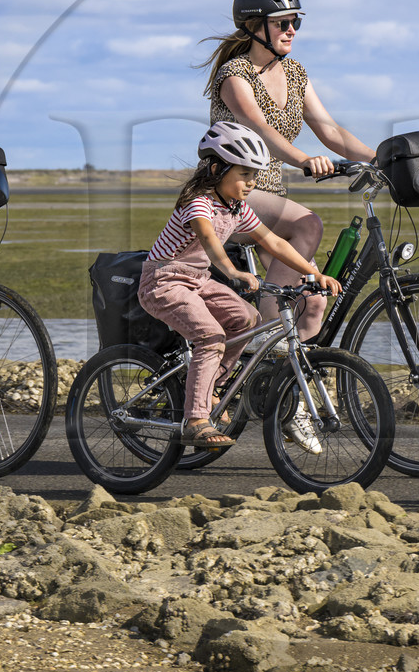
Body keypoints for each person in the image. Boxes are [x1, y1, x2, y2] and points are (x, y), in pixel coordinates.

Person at [137, 122, 342, 450]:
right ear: (217, 169)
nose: (252, 183)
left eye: (255, 176)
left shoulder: (237, 208)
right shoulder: (199, 203)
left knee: (247, 319)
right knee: (210, 336)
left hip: (197, 281)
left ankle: (212, 387)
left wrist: (312, 273)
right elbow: (208, 239)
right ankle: (196, 420)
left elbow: (274, 242)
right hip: (164, 282)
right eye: (244, 174)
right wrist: (233, 271)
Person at [197, 0, 375, 340]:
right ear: (253, 26)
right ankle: (263, 333)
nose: (291, 30)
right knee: (309, 224)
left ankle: (284, 390)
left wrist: (382, 159)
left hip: (269, 198)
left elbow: (331, 131)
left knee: (313, 303)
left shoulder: (295, 74)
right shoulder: (235, 75)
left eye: (296, 22)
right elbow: (260, 129)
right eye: (281, 22)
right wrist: (305, 159)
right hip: (228, 195)